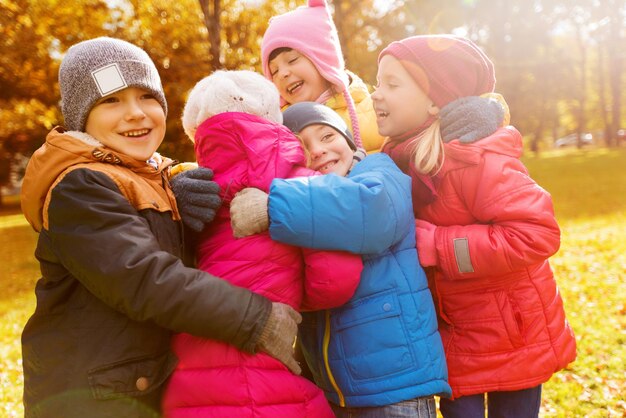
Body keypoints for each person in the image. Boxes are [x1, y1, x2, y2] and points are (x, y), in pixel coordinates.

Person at [19, 37, 303, 418]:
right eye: (111, 101)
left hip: (137, 384)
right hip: (90, 396)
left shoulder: (150, 174)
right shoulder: (79, 185)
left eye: (146, 97)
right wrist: (255, 318)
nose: (135, 113)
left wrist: (173, 203)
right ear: (80, 116)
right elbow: (144, 278)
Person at [372, 35, 577, 418]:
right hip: (453, 336)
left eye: (392, 84)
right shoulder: (397, 158)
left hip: (511, 338)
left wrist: (440, 245)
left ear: (435, 100)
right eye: (376, 83)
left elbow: (536, 234)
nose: (376, 95)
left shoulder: (475, 158)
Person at [230, 101, 452, 418]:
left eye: (327, 136)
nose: (318, 150)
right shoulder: (305, 201)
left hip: (394, 386)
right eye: (302, 145)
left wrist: (273, 206)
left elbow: (372, 217)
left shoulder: (378, 172)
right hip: (331, 390)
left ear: (349, 141)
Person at [161, 70, 363, 418]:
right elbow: (337, 280)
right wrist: (294, 296)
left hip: (189, 372)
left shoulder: (196, 192)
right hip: (262, 363)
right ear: (273, 117)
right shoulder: (302, 183)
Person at [260, 0, 505, 155]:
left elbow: (433, 112)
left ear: (323, 58)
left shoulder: (373, 109)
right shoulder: (278, 129)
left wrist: (487, 109)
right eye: (273, 70)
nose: (283, 73)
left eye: (292, 61)